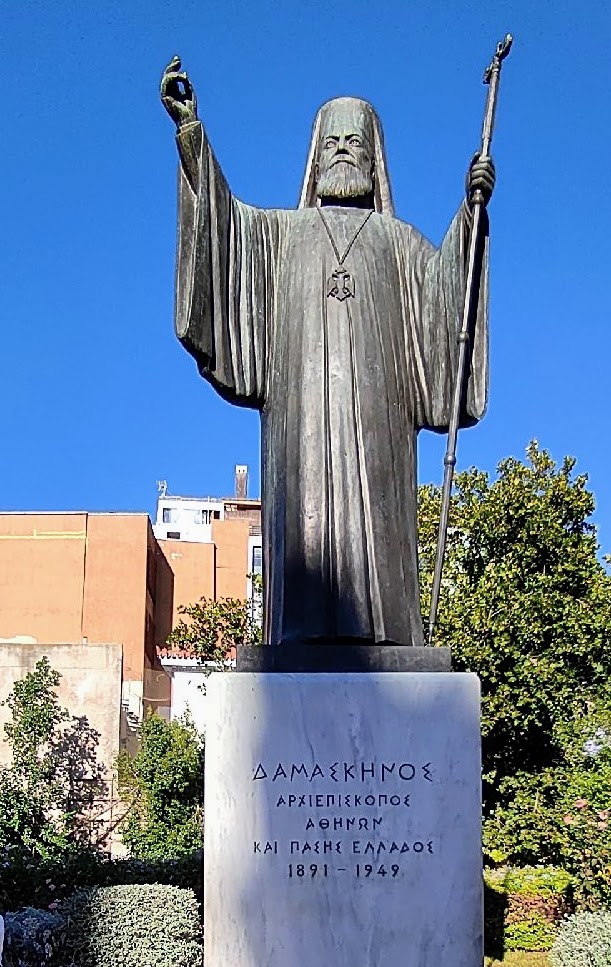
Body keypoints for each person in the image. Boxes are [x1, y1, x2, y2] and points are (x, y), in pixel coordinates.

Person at [161, 57, 495, 646]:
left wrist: (471, 218)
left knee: (383, 532)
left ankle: (392, 635)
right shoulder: (278, 237)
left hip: (381, 427)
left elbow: (448, 301)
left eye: (354, 143)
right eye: (332, 143)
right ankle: (299, 632)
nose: (342, 152)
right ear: (314, 159)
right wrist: (191, 134)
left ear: (374, 159)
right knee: (303, 528)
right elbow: (222, 226)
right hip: (300, 428)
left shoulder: (402, 244)